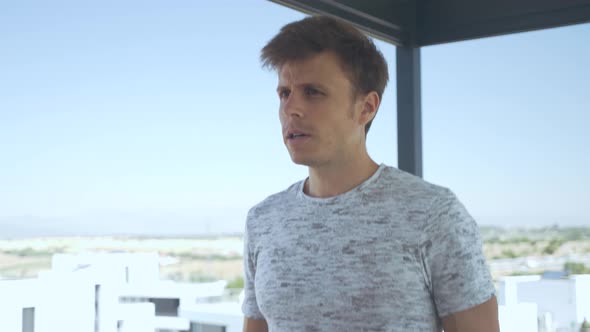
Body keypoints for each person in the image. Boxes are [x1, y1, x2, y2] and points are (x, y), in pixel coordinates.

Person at [242, 15, 499, 332]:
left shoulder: (433, 214)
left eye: (312, 92)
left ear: (366, 108)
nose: (291, 109)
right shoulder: (262, 221)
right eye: (284, 93)